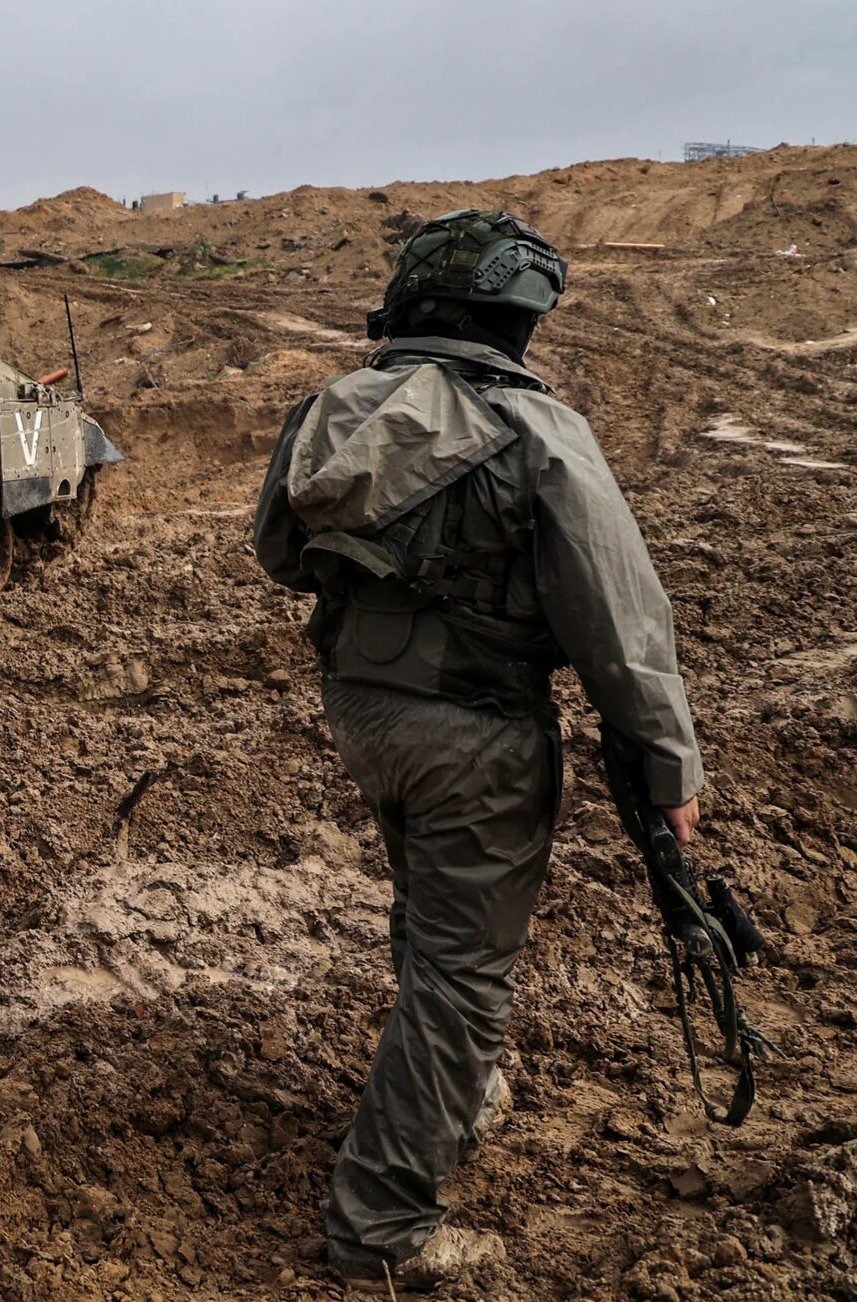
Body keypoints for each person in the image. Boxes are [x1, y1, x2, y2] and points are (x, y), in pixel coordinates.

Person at [251, 210, 706, 1291]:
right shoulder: (536, 431)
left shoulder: (329, 409)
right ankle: (382, 1227)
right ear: (514, 319)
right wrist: (666, 767)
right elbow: (618, 620)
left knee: (428, 912)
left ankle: (459, 1090)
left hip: (364, 714)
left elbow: (278, 552)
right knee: (462, 974)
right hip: (478, 730)